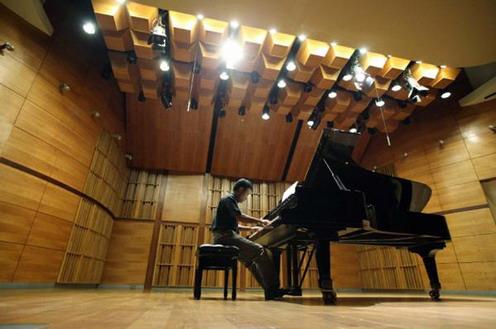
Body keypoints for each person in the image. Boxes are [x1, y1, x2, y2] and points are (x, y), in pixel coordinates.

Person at [211, 178, 285, 300]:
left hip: (222, 236)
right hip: (226, 237)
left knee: (250, 261)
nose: (246, 197)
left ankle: (269, 290)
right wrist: (260, 221)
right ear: (241, 190)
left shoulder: (226, 201)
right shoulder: (229, 199)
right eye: (247, 194)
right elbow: (239, 216)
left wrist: (252, 229)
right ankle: (273, 289)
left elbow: (235, 225)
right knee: (260, 251)